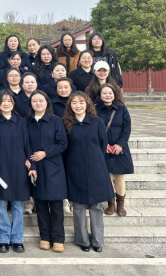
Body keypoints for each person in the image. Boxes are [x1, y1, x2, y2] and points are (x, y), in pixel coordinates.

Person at [62, 92, 114, 253]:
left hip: (96, 167)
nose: (78, 106)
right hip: (75, 167)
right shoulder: (66, 123)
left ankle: (98, 240)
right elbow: (65, 148)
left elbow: (102, 143)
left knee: (96, 205)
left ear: (87, 104)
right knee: (78, 206)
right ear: (70, 106)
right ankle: (82, 240)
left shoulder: (97, 122)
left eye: (81, 102)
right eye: (74, 103)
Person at [0, 90, 37, 254]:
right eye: (3, 101)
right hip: (1, 168)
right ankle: (3, 238)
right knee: (1, 204)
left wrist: (31, 164)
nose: (6, 103)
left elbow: (27, 144)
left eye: (9, 100)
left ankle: (17, 239)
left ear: (14, 103)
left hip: (19, 167)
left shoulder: (21, 122)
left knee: (17, 204)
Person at [27, 90, 68, 253]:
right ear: (31, 104)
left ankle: (58, 238)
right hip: (36, 168)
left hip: (53, 167)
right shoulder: (27, 122)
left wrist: (45, 152)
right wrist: (32, 165)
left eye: (41, 101)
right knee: (41, 205)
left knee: (56, 205)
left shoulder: (56, 121)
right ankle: (44, 237)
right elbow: (25, 145)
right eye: (34, 101)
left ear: (47, 103)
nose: (38, 103)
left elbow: (62, 143)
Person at [96, 84, 134, 218]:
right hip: (103, 148)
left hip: (120, 149)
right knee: (107, 177)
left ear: (114, 94)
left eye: (110, 93)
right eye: (104, 93)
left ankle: (121, 204)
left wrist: (120, 144)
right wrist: (103, 144)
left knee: (119, 177)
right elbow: (94, 129)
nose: (107, 95)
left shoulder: (122, 109)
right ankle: (110, 203)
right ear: (100, 95)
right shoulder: (95, 110)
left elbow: (127, 128)